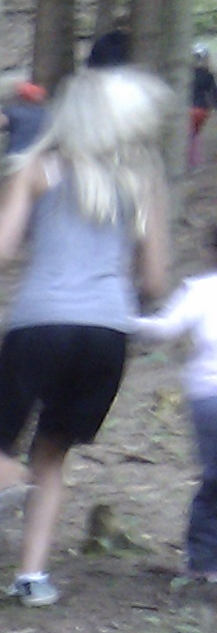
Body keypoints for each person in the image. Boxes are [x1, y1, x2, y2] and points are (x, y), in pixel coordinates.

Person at [0, 66, 173, 608]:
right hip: (107, 333)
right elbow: (155, 281)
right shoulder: (141, 182)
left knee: (1, 440)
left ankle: (1, 488)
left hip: (39, 324)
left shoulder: (37, 169)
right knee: (53, 452)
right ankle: (32, 575)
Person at [128, 226, 217, 585]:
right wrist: (120, 320)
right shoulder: (202, 291)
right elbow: (165, 328)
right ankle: (203, 564)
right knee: (215, 478)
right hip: (210, 394)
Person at [2, 80, 51, 156]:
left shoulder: (14, 112)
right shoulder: (47, 114)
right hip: (37, 155)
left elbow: (1, 122)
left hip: (17, 153)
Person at [191, 49, 215, 166]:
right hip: (203, 109)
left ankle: (192, 161)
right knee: (195, 134)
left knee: (190, 135)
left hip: (190, 108)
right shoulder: (208, 75)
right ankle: (196, 161)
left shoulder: (189, 74)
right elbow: (214, 93)